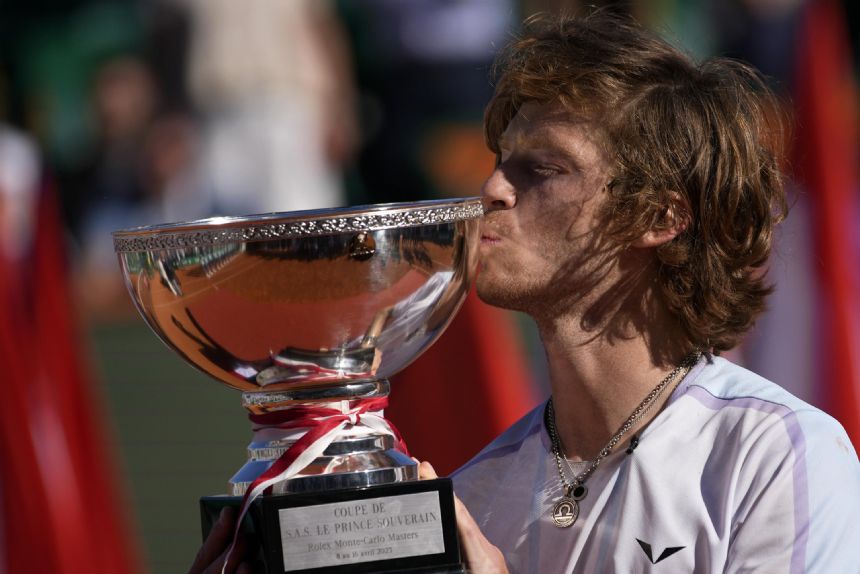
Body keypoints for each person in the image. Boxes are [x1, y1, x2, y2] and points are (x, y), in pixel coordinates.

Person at [191, 11, 860, 573]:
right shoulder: (475, 494)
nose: (491, 192)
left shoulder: (777, 454)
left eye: (543, 169)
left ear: (661, 218)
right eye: (498, 161)